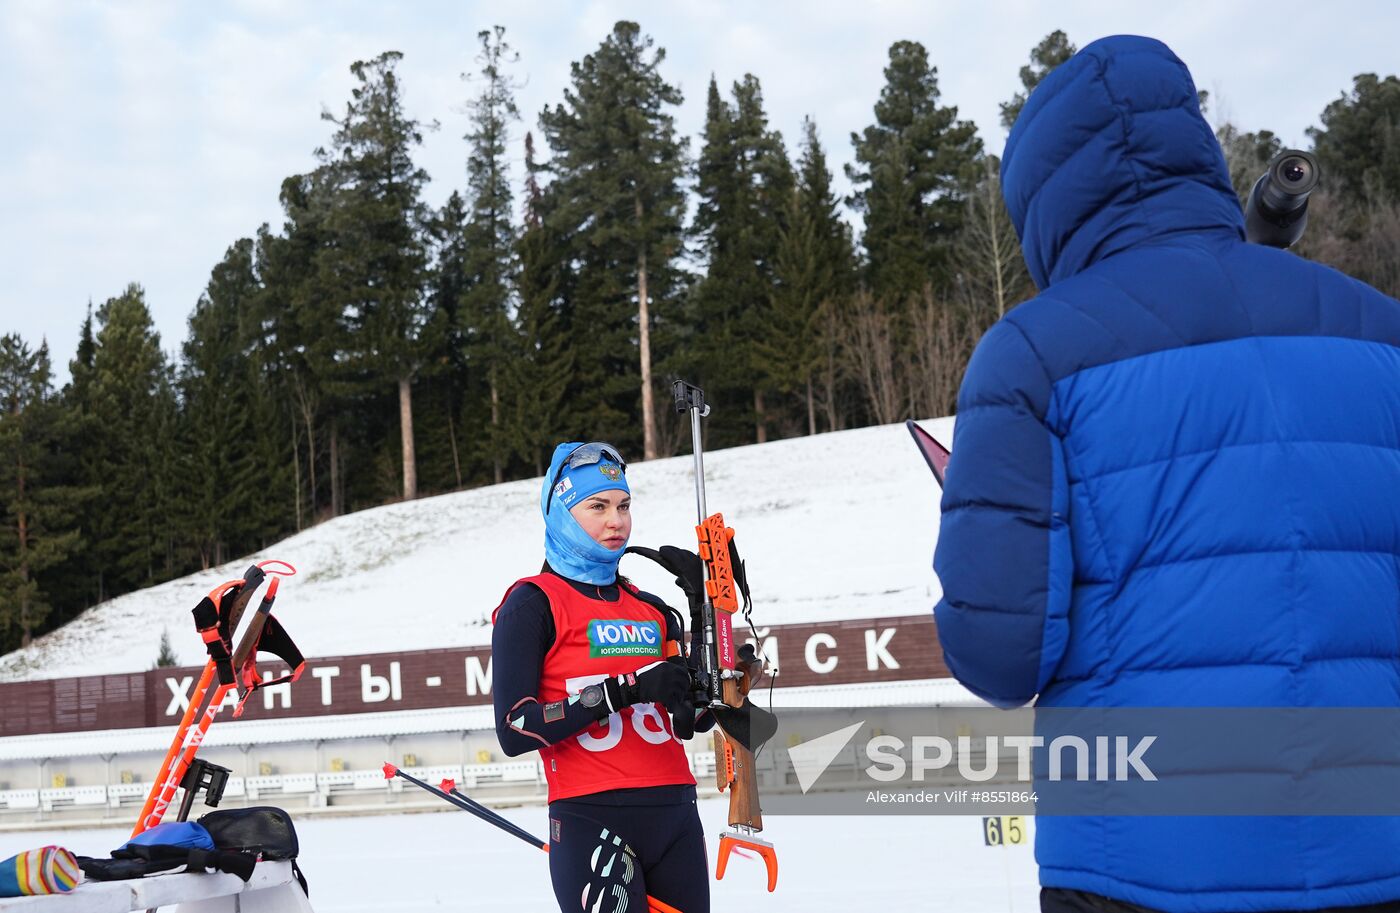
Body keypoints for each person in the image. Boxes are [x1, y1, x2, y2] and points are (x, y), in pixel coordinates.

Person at [932, 35, 1400, 913]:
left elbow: (999, 652)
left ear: (1042, 201)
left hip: (1139, 863)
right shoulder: (1382, 331)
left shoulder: (1031, 356)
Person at [491, 441, 708, 913]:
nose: (617, 521)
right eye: (598, 506)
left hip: (675, 812)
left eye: (624, 505)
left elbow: (689, 721)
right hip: (591, 814)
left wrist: (706, 618)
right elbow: (515, 726)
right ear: (562, 513)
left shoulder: (651, 608)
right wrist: (623, 691)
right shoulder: (532, 604)